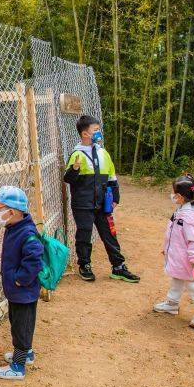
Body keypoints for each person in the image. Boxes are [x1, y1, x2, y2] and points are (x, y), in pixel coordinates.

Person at [63, 116, 140, 283]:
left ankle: (118, 266)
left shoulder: (103, 152)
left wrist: (115, 196)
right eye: (95, 131)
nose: (98, 133)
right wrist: (75, 169)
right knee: (84, 233)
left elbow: (111, 176)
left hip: (102, 202)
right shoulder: (77, 154)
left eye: (98, 130)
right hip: (83, 203)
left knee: (109, 233)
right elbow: (68, 179)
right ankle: (85, 265)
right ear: (85, 134)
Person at [0, 185, 44, 381]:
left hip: (22, 291)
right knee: (20, 323)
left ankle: (18, 366)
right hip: (18, 292)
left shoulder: (27, 234)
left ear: (12, 212)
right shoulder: (15, 226)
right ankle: (27, 354)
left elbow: (34, 260)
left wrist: (19, 279)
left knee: (21, 327)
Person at [153, 174, 194, 330]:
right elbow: (173, 232)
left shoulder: (190, 216)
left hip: (189, 260)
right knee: (177, 279)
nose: (172, 196)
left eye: (174, 193)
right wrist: (167, 248)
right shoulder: (182, 210)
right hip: (178, 256)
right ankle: (172, 303)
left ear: (179, 196)